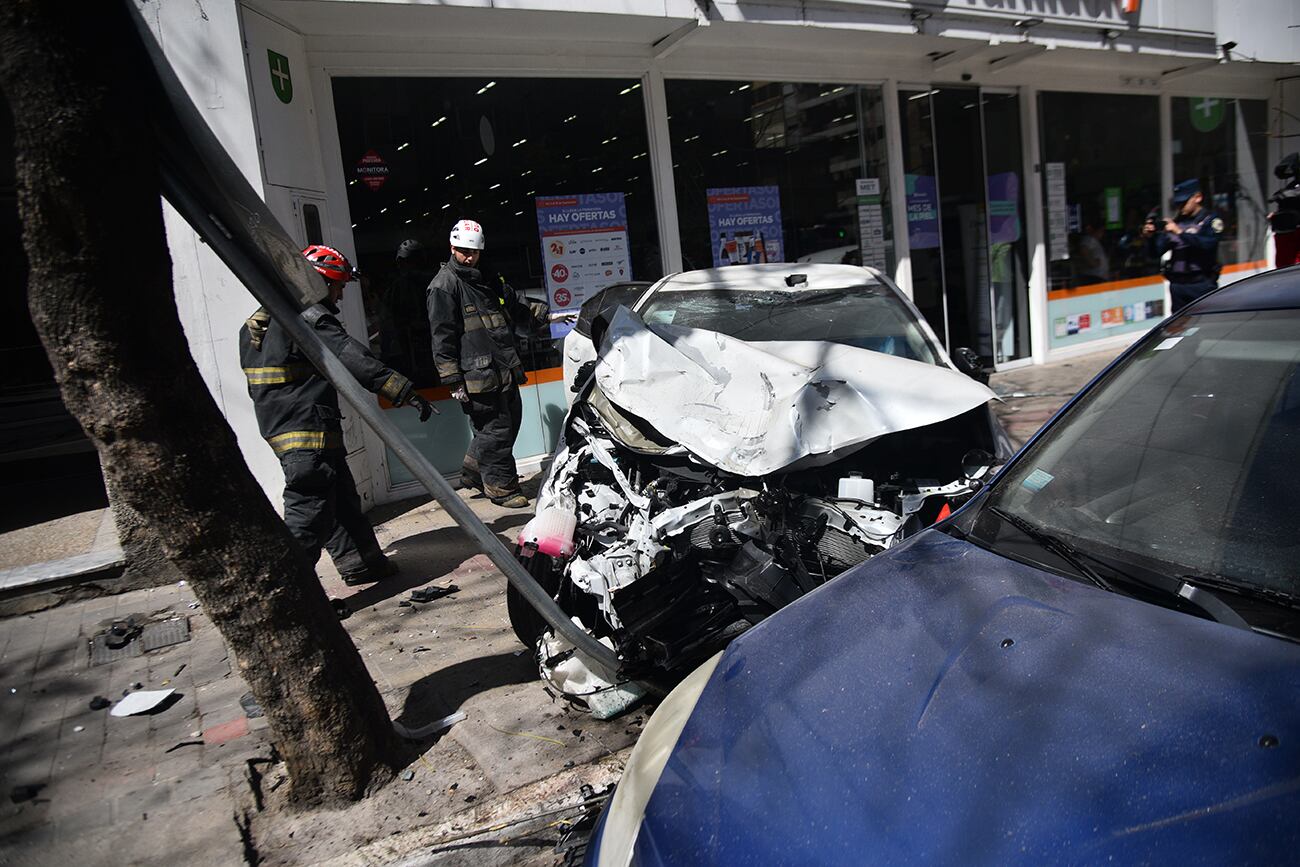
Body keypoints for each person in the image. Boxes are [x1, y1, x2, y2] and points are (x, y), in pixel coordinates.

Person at [240, 244, 435, 584]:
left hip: (292, 429)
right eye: (337, 285)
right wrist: (402, 389)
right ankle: (290, 593)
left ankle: (362, 562)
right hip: (307, 431)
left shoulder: (260, 319)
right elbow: (350, 356)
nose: (340, 295)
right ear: (319, 283)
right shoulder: (306, 317)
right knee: (309, 512)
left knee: (342, 500)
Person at [427, 219, 554, 508]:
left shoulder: (485, 277)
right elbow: (441, 337)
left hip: (502, 369)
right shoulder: (444, 287)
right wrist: (453, 380)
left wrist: (546, 315)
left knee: (508, 422)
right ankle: (501, 488)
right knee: (495, 430)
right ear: (452, 248)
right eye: (462, 251)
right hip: (477, 376)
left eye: (473, 252)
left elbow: (513, 304)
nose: (468, 257)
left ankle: (473, 471)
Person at [1143, 179, 1223, 314]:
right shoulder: (1175, 223)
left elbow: (1207, 244)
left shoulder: (1210, 220)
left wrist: (1180, 233)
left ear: (1198, 197)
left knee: (1206, 325)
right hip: (1178, 286)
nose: (1181, 207)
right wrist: (1151, 238)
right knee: (1179, 328)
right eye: (1178, 203)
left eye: (1184, 202)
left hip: (1201, 284)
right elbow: (1155, 253)